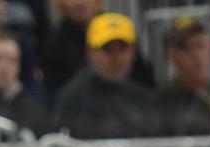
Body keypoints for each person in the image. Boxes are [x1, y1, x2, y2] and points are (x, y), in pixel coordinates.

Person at [51, 12, 163, 140]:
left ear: (133, 51)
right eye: (106, 49)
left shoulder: (146, 95)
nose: (115, 57)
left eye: (122, 48)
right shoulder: (72, 98)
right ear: (89, 52)